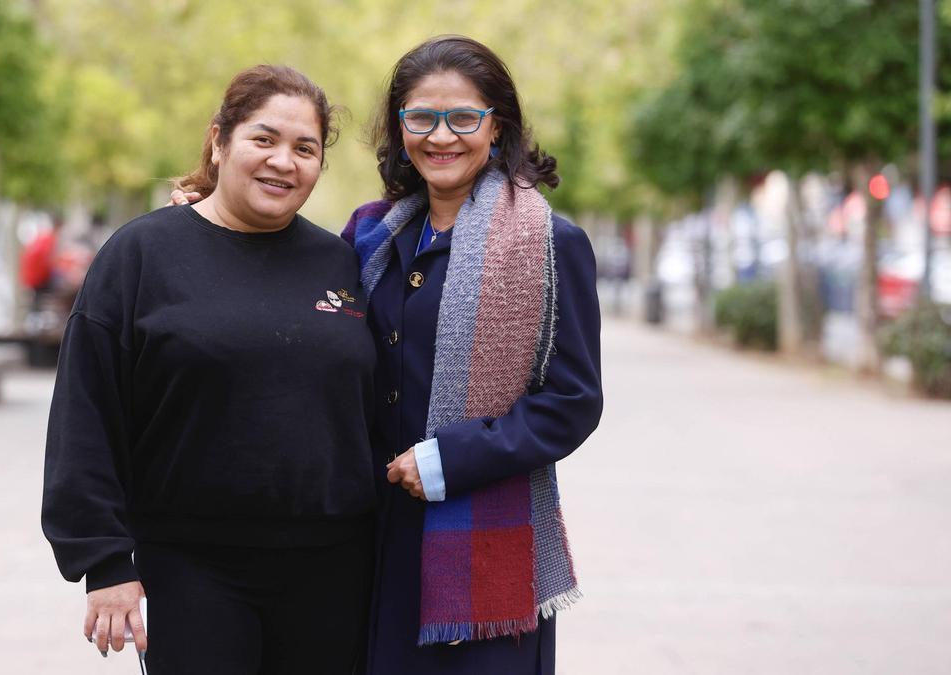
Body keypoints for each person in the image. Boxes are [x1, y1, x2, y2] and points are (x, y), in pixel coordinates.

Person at [42, 64, 377, 675]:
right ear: (219, 141)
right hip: (191, 569)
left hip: (335, 568)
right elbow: (85, 413)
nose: (283, 161)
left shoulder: (340, 261)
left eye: (305, 149)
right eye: (263, 139)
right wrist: (104, 561)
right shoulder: (141, 254)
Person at [341, 36, 603, 674]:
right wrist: (207, 215)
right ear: (400, 126)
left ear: (498, 125)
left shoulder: (548, 243)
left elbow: (572, 402)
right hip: (370, 535)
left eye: (463, 117)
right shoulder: (369, 235)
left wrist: (449, 460)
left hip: (480, 541)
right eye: (421, 118)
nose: (441, 136)